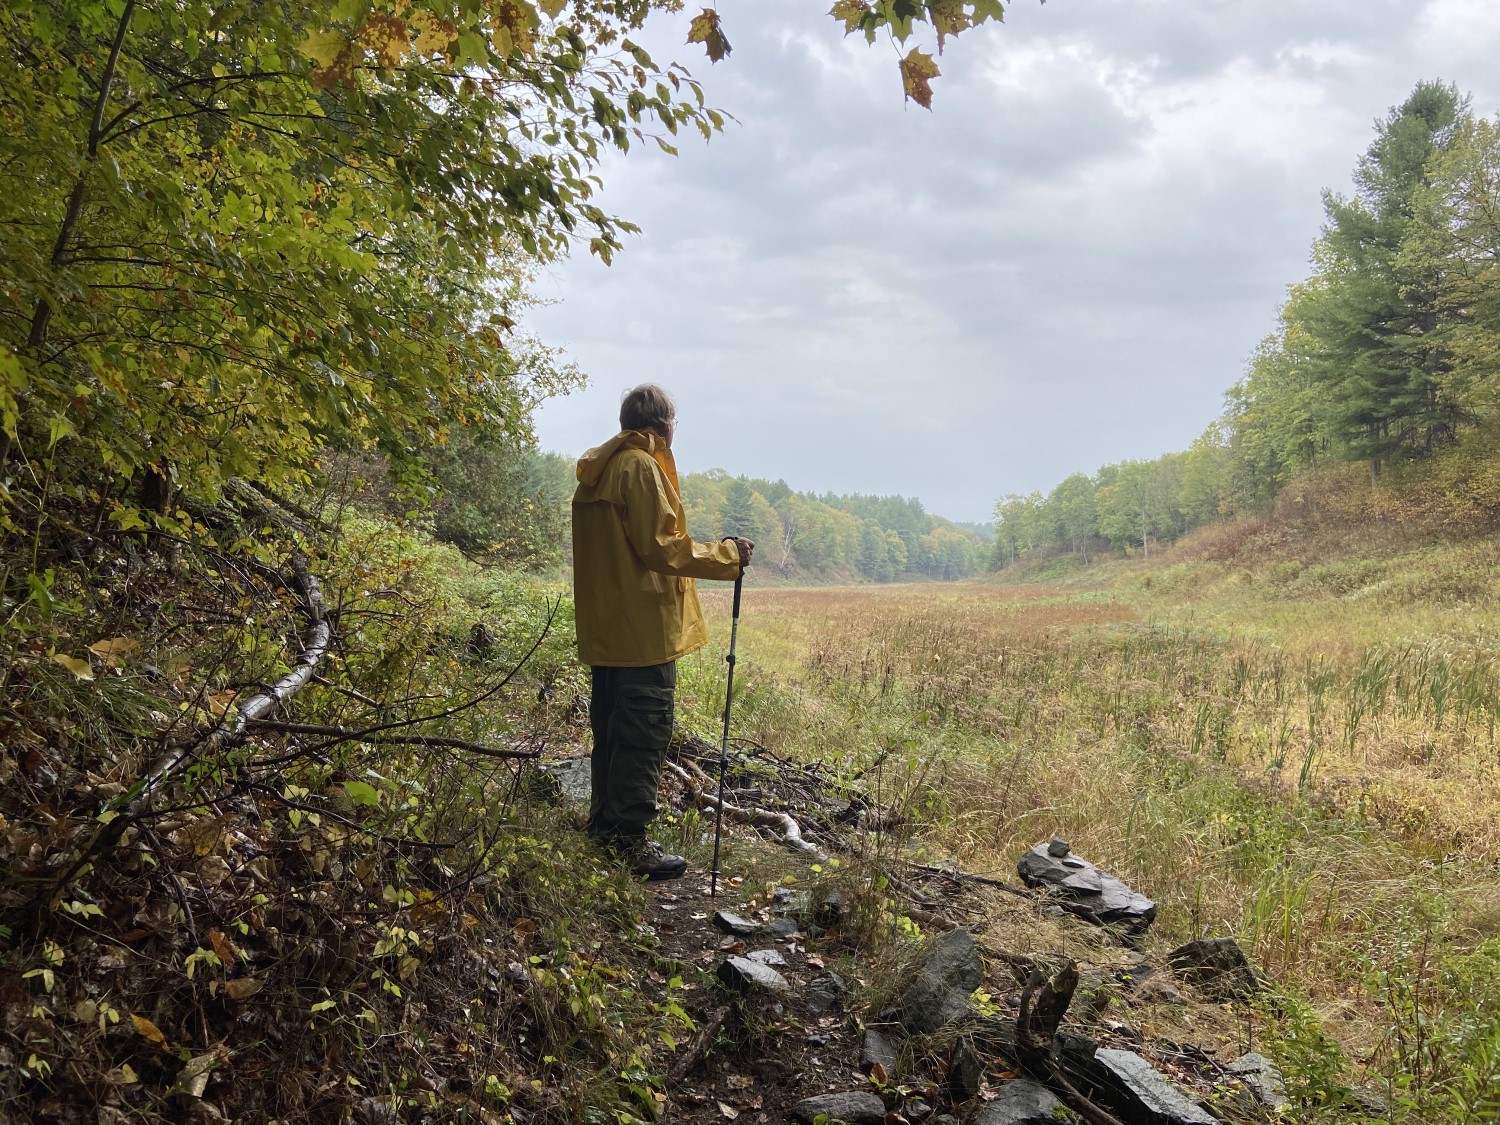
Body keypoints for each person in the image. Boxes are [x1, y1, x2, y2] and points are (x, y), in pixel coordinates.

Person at [572, 385, 753, 880]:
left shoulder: (599, 470)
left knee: (611, 731)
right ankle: (628, 843)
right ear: (664, 426)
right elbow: (662, 548)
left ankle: (605, 828)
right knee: (642, 733)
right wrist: (729, 556)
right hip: (642, 631)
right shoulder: (641, 468)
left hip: (608, 630)